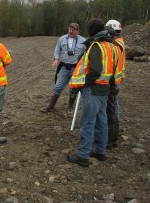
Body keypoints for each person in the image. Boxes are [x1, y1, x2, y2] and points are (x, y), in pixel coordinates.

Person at [67, 18, 118, 167]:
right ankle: (99, 151)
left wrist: (85, 84)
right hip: (104, 89)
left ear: (91, 30)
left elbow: (95, 70)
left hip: (93, 90)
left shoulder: (96, 46)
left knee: (87, 122)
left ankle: (83, 155)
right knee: (102, 121)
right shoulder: (111, 46)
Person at [40, 23, 86, 114]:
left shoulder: (83, 41)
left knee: (73, 88)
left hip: (76, 69)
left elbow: (87, 53)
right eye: (70, 28)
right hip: (64, 67)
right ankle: (51, 106)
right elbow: (57, 50)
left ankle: (70, 107)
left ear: (78, 31)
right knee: (58, 86)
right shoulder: (62, 39)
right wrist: (56, 59)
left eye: (73, 29)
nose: (71, 31)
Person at [105, 19, 126, 148]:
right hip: (117, 79)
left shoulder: (116, 45)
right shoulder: (120, 42)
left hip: (113, 81)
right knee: (114, 108)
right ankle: (114, 136)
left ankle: (112, 138)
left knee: (112, 109)